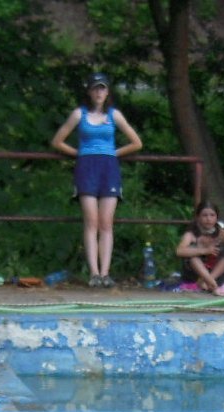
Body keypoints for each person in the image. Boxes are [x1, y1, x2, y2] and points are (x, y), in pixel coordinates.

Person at [50, 73, 143, 287]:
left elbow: (136, 142)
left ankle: (105, 272)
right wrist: (80, 153)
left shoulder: (114, 115)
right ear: (89, 91)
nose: (99, 92)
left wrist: (113, 153)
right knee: (91, 221)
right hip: (86, 167)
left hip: (109, 168)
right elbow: (57, 141)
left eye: (102, 88)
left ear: (107, 92)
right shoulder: (79, 114)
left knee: (106, 222)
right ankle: (94, 272)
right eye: (95, 88)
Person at [176, 202, 224, 292]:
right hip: (195, 275)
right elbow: (179, 251)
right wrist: (205, 250)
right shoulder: (191, 234)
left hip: (216, 273)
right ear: (198, 217)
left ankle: (208, 281)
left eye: (212, 215)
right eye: (204, 215)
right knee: (192, 254)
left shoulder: (222, 233)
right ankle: (211, 283)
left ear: (217, 217)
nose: (208, 219)